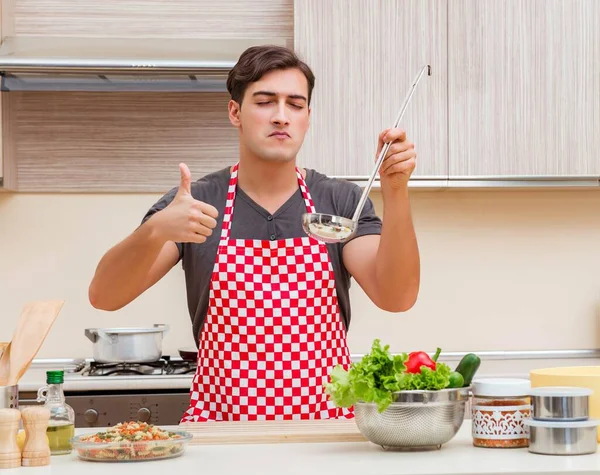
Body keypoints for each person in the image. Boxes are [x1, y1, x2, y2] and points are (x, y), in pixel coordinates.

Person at [88, 45, 420, 422]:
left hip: (326, 434)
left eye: (295, 105)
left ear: (308, 117)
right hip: (221, 434)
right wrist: (154, 231)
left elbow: (397, 296)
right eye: (265, 102)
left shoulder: (339, 201)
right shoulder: (196, 203)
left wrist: (396, 190)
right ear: (235, 112)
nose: (282, 117)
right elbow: (105, 296)